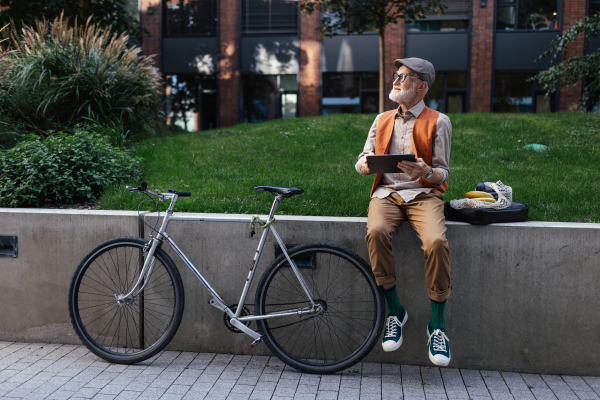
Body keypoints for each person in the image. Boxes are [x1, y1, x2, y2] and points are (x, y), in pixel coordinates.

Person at [355, 57, 452, 366]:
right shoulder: (382, 119)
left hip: (424, 195)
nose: (395, 80)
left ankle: (437, 324)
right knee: (376, 231)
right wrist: (364, 165)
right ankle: (394, 311)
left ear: (421, 86)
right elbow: (364, 156)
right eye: (396, 75)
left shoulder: (440, 121)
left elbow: (442, 173)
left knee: (436, 242)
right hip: (386, 193)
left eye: (404, 77)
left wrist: (426, 170)